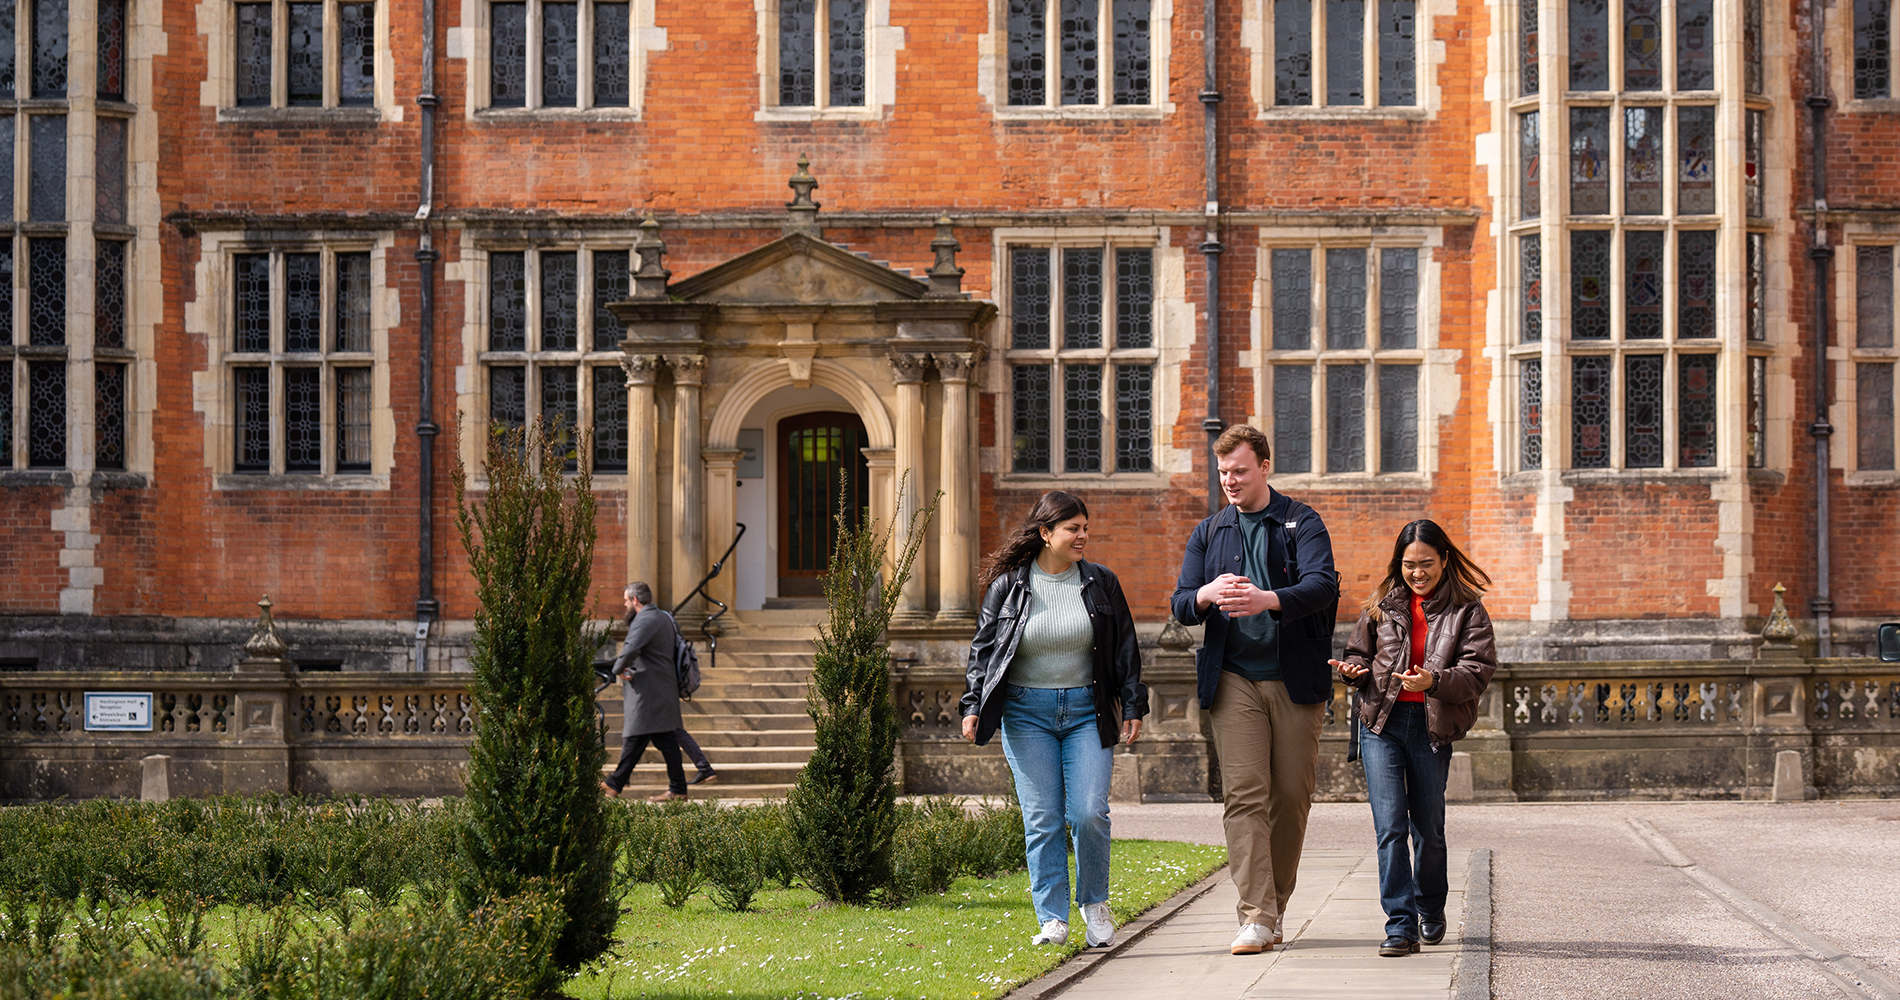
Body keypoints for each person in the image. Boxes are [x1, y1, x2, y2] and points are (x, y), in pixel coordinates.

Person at [1171, 425, 1339, 956]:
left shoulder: (1301, 521)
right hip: (1233, 680)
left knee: (1289, 798)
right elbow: (1179, 604)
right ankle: (1255, 915)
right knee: (1244, 796)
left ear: (1264, 466)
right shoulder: (1208, 532)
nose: (1230, 481)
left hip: (1294, 681)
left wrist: (1267, 598)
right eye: (1222, 473)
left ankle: (1274, 906)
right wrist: (1204, 593)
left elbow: (1323, 585)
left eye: (1239, 471)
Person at [961, 491, 1148, 949]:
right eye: (1073, 528)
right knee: (1043, 818)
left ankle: (1095, 904)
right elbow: (984, 650)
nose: (1083, 536)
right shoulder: (1009, 586)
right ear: (1046, 533)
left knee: (1089, 812)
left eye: (1085, 527)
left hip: (1088, 710)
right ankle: (1052, 918)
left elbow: (1125, 648)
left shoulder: (1101, 582)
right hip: (1026, 715)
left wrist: (1134, 703)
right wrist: (972, 704)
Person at [1328, 519, 1496, 957]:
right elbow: (1357, 654)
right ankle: (1400, 925)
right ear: (1397, 564)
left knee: (1428, 829)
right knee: (1389, 828)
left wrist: (1433, 681)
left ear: (1444, 559)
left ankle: (1430, 907)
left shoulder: (1468, 610)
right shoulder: (1382, 605)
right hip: (1380, 725)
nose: (1417, 573)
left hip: (1430, 728)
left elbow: (1477, 673)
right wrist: (1353, 672)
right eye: (1408, 565)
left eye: (1425, 564)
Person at [601, 581, 689, 802]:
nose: (624, 605)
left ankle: (614, 784)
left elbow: (630, 648)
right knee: (664, 740)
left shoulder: (645, 619)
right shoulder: (662, 616)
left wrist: (617, 669)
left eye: (625, 601)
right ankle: (677, 789)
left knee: (636, 736)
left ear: (635, 600)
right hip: (659, 689)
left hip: (649, 691)